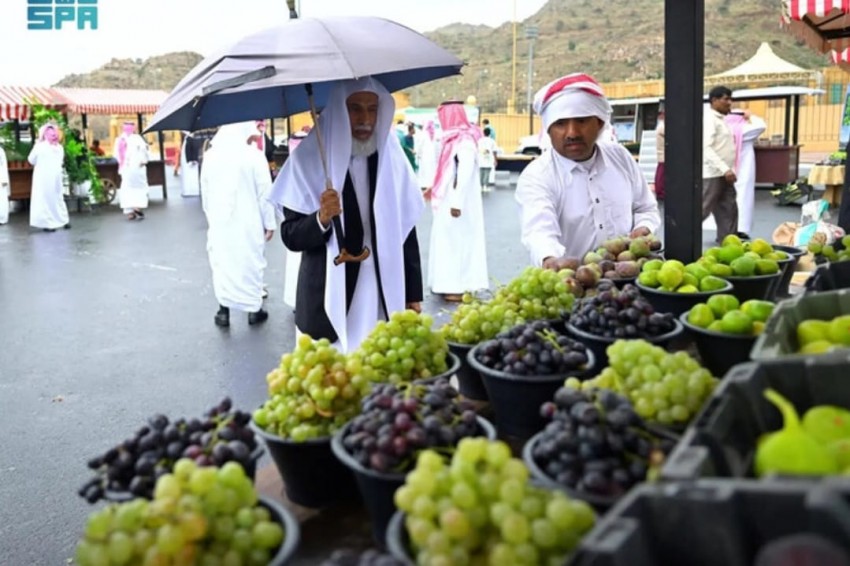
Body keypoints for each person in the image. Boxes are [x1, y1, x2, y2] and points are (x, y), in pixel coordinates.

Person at [269, 77, 424, 353]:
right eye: (355, 108)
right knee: (334, 378)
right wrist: (322, 218)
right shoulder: (309, 160)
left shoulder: (392, 157)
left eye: (372, 109)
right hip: (329, 292)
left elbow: (406, 230)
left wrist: (412, 293)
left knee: (377, 370)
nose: (365, 119)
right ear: (339, 110)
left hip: (382, 286)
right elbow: (291, 236)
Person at [515, 73, 661, 266]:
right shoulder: (537, 176)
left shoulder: (621, 158)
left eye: (581, 121)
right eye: (560, 123)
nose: (572, 133)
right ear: (548, 130)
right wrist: (551, 260)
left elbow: (645, 208)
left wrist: (644, 227)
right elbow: (539, 231)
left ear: (600, 123)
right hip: (572, 286)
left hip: (626, 280)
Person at [200, 122, 275, 328]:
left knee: (222, 263)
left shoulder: (210, 156)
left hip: (219, 222)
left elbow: (205, 193)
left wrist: (212, 218)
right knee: (249, 262)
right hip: (248, 222)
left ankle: (223, 310)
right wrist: (269, 222)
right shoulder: (253, 156)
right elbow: (264, 193)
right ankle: (254, 309)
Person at [429, 101, 489, 301]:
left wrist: (456, 203)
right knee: (447, 243)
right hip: (449, 201)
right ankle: (445, 283)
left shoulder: (464, 142)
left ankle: (457, 286)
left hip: (457, 205)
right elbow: (446, 172)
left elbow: (464, 174)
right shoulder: (452, 140)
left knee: (457, 244)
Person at [702, 86, 740, 243]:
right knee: (702, 208)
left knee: (728, 209)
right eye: (726, 99)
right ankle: (682, 239)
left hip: (724, 173)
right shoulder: (709, 119)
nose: (729, 103)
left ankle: (729, 244)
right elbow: (706, 147)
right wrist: (724, 169)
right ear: (714, 100)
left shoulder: (721, 120)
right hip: (713, 173)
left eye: (730, 99)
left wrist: (728, 170)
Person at [28, 123, 70, 232]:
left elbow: (31, 160)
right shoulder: (49, 147)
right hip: (50, 177)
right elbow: (31, 160)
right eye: (52, 134)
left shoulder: (49, 147)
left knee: (52, 199)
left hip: (49, 177)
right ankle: (56, 222)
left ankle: (56, 222)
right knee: (52, 199)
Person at [114, 122, 150, 221]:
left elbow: (116, 155)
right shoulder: (137, 138)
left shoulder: (119, 140)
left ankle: (129, 212)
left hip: (125, 168)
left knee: (126, 188)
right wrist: (144, 160)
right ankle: (137, 207)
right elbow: (144, 151)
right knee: (140, 187)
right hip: (138, 167)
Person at [415, 120, 439, 193]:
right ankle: (431, 185)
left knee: (425, 171)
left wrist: (418, 153)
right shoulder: (434, 134)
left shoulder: (423, 134)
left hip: (425, 156)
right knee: (431, 171)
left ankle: (425, 185)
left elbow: (420, 145)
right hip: (432, 157)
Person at [180, 131, 201, 197]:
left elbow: (188, 151)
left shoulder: (188, 139)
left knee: (190, 177)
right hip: (192, 162)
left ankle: (189, 190)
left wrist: (190, 160)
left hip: (190, 162)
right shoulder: (190, 138)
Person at [478, 127, 498, 193]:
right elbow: (494, 151)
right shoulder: (492, 141)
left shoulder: (479, 140)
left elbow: (477, 149)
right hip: (489, 158)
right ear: (490, 133)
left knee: (481, 172)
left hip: (481, 157)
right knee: (487, 172)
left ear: (483, 133)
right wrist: (495, 160)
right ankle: (485, 186)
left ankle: (480, 186)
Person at [654, 109, 665, 200]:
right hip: (663, 154)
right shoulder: (662, 126)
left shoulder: (660, 126)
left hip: (662, 153)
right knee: (661, 174)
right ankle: (660, 192)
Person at [0, 146, 9, 225]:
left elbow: (4, 166)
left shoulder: (1, 151)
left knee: (1, 198)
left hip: (1, 177)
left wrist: (4, 179)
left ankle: (2, 218)